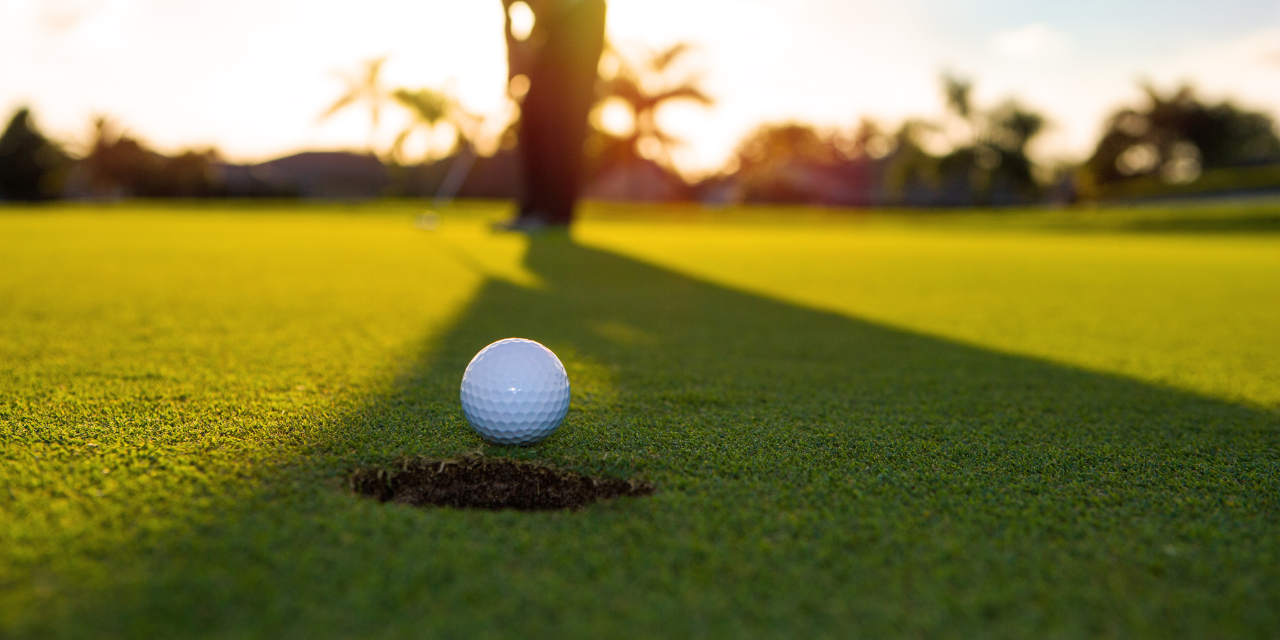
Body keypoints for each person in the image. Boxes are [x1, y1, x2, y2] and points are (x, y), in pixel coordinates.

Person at [501, 0, 607, 230]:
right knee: (533, 113)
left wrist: (533, 44)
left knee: (564, 118)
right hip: (552, 24)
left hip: (582, 15)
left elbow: (546, 9)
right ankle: (532, 209)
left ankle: (556, 213)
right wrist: (514, 61)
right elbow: (508, 20)